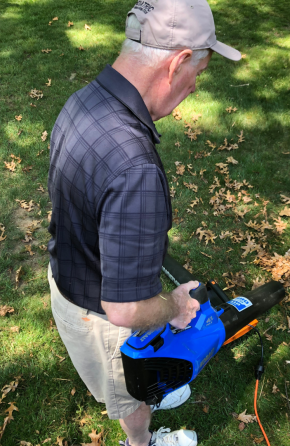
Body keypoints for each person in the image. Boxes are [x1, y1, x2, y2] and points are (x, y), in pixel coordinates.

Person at [47, 1, 241, 445]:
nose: (194, 88)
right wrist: (175, 307)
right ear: (176, 64)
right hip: (101, 317)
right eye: (199, 73)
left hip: (71, 275)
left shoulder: (84, 100)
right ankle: (143, 441)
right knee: (130, 396)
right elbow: (125, 310)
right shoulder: (134, 168)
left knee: (137, 380)